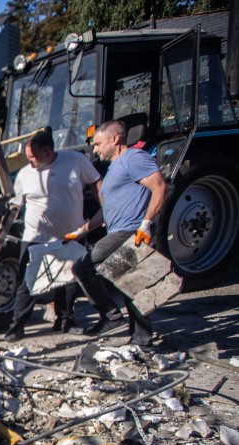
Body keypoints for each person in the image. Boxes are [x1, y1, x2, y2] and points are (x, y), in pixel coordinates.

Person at [64, 119, 167, 347]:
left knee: (82, 266)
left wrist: (146, 223)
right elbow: (106, 209)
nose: (95, 149)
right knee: (129, 285)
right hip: (119, 230)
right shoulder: (113, 170)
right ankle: (141, 338)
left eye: (98, 143)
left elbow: (159, 186)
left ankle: (111, 316)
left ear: (115, 139)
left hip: (129, 230)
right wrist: (82, 231)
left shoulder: (134, 158)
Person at [4, 129, 101, 341]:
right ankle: (17, 326)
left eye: (32, 156)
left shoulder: (76, 161)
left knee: (68, 279)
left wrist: (105, 209)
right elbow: (14, 206)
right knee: (27, 282)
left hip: (71, 234)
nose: (29, 161)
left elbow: (96, 183)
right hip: (35, 237)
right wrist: (1, 230)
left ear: (48, 152)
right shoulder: (25, 175)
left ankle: (65, 320)